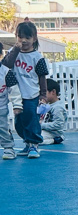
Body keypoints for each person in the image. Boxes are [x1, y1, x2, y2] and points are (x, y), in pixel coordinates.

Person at [2, 21, 48, 158]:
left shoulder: (37, 57)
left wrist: (43, 95)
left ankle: (34, 144)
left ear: (34, 38)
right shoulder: (13, 52)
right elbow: (6, 65)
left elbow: (42, 77)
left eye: (27, 37)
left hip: (31, 95)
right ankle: (27, 143)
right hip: (17, 96)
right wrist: (15, 49)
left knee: (31, 120)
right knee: (19, 123)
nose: (24, 40)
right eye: (20, 37)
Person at [0, 42, 22, 161]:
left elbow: (14, 90)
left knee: (3, 129)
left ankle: (8, 148)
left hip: (1, 109)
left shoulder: (6, 72)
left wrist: (17, 105)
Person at [38, 78, 67, 144]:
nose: (41, 95)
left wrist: (41, 125)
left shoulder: (58, 107)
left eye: (44, 93)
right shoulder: (47, 105)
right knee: (30, 136)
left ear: (53, 92)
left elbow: (58, 124)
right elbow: (40, 117)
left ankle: (55, 140)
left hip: (54, 133)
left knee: (35, 140)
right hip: (45, 130)